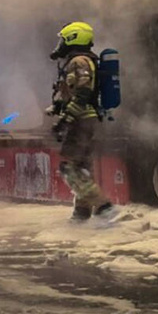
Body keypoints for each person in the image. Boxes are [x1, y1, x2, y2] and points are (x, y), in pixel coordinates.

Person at [48, 22, 114, 221]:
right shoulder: (79, 61)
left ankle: (104, 207)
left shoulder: (79, 61)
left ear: (73, 38)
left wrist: (65, 119)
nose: (60, 44)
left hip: (82, 121)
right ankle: (82, 213)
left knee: (69, 168)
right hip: (85, 120)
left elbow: (83, 93)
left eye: (63, 39)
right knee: (82, 168)